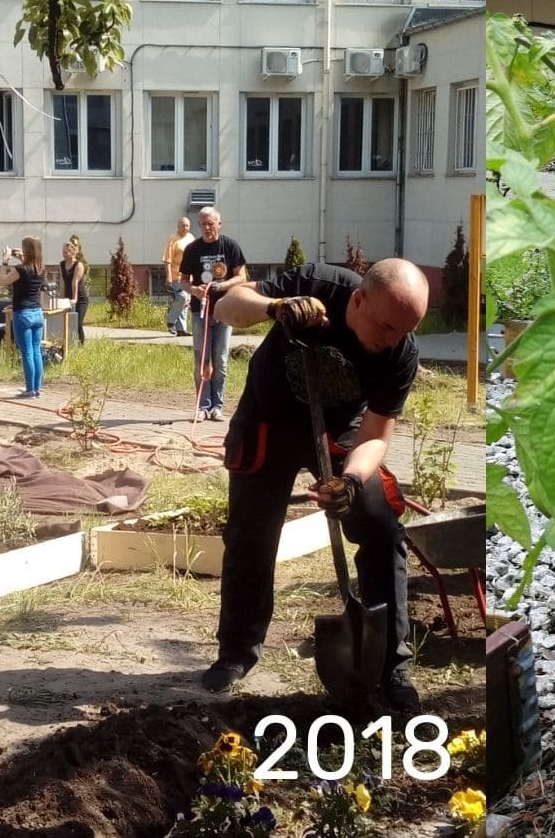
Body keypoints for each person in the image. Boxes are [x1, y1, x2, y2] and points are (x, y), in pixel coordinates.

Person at [203, 258, 429, 712]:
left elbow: (376, 437)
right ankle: (237, 653)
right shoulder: (317, 283)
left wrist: (349, 481)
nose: (391, 341)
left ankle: (391, 664)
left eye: (403, 331)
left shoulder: (400, 352)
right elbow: (229, 305)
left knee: (382, 527)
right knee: (251, 535)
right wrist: (276, 307)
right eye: (385, 327)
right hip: (267, 421)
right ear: (360, 299)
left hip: (340, 435)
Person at [178, 206, 246, 421]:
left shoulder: (230, 246)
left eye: (211, 223)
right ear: (199, 225)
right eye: (203, 224)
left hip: (225, 311)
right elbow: (183, 281)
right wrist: (194, 290)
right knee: (201, 359)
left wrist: (221, 285)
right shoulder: (192, 249)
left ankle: (217, 405)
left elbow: (242, 277)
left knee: (221, 360)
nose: (207, 228)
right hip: (201, 312)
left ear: (219, 223)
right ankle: (202, 405)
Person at [0, 235, 45, 398]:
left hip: (23, 315)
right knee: (37, 351)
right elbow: (29, 287)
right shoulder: (40, 267)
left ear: (27, 251)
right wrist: (20, 257)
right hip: (37, 313)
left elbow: (1, 281)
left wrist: (5, 261)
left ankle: (29, 390)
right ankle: (37, 388)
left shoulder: (20, 270)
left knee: (27, 353)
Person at [163, 216, 194, 337]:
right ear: (178, 226)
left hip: (188, 276)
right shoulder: (173, 239)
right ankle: (171, 321)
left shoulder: (191, 238)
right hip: (176, 275)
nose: (185, 228)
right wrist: (169, 276)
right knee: (181, 297)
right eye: (183, 225)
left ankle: (181, 329)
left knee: (186, 301)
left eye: (187, 225)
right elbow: (167, 259)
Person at [60, 235, 89, 346]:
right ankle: (69, 344)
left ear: (73, 252)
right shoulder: (62, 264)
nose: (64, 254)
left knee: (77, 323)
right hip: (67, 297)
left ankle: (81, 344)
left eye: (67, 252)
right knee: (67, 322)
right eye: (63, 252)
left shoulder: (79, 265)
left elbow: (74, 282)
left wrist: (75, 299)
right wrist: (61, 299)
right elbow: (62, 282)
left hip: (80, 298)